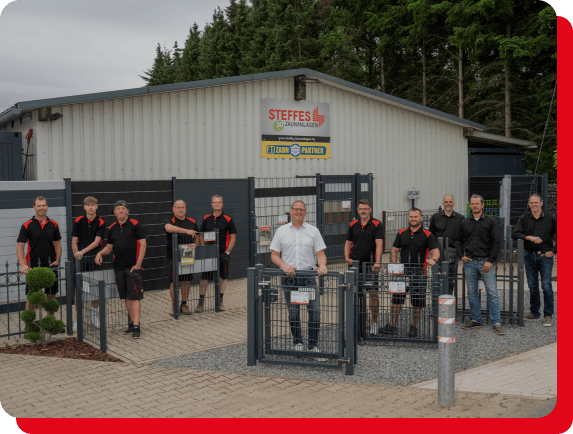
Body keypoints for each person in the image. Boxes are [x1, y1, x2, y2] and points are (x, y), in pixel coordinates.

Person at [270, 200, 328, 361]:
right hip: (290, 278)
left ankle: (313, 345)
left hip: (308, 277)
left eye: (301, 210)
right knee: (294, 311)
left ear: (305, 212)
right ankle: (298, 343)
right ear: (291, 211)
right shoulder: (281, 231)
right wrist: (283, 265)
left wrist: (322, 265)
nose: (298, 212)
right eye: (296, 209)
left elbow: (320, 254)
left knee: (315, 311)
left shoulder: (313, 231)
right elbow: (274, 255)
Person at [380, 208, 439, 338]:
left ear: (421, 218)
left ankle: (414, 327)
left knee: (417, 302)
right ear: (408, 218)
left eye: (415, 217)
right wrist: (394, 264)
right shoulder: (401, 233)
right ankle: (392, 326)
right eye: (411, 217)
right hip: (401, 274)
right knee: (396, 300)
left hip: (419, 273)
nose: (413, 219)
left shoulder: (428, 234)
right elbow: (395, 249)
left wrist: (433, 259)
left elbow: (435, 250)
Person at [95, 200, 146, 339]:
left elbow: (143, 244)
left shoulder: (136, 225)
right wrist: (99, 253)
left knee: (134, 296)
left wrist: (138, 264)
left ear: (127, 211)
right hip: (118, 268)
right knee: (126, 296)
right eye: (118, 209)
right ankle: (131, 322)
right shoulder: (112, 228)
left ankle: (136, 326)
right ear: (115, 212)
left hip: (133, 268)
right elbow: (109, 247)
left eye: (123, 208)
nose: (121, 211)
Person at [456, 194, 504, 335]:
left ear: (482, 205)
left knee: (492, 293)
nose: (475, 206)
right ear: (470, 205)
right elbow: (458, 240)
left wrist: (490, 260)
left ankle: (496, 322)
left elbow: (496, 242)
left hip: (485, 262)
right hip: (470, 262)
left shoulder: (490, 222)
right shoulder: (464, 223)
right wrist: (461, 256)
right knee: (471, 293)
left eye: (477, 203)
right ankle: (476, 319)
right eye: (472, 203)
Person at [514, 194, 557, 327]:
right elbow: (516, 234)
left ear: (541, 203)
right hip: (529, 256)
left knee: (546, 286)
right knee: (532, 286)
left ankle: (548, 315)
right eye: (531, 203)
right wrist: (529, 237)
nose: (534, 205)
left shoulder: (550, 218)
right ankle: (534, 312)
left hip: (545, 257)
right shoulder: (524, 218)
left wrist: (553, 252)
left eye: (536, 202)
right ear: (529, 204)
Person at [17, 196, 62, 316]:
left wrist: (57, 260)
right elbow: (20, 246)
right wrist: (23, 264)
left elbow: (57, 244)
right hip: (33, 266)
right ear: (34, 207)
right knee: (32, 296)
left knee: (51, 295)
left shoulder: (54, 224)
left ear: (47, 206)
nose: (41, 208)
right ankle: (30, 325)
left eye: (43, 205)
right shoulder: (26, 225)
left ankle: (50, 323)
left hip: (51, 265)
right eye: (39, 205)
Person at [344, 199, 384, 335]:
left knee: (373, 293)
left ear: (370, 210)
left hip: (370, 265)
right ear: (358, 210)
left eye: (366, 209)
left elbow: (379, 244)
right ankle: (363, 321)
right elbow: (348, 242)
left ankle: (374, 323)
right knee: (357, 294)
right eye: (361, 209)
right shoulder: (353, 224)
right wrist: (346, 258)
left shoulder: (377, 224)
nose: (363, 211)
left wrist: (377, 262)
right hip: (354, 265)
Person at [196, 195, 237, 313]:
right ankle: (201, 303)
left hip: (222, 253)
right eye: (215, 202)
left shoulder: (228, 219)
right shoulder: (206, 218)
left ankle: (220, 302)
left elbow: (233, 237)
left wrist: (227, 253)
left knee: (223, 277)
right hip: (209, 253)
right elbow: (201, 235)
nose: (217, 204)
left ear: (222, 204)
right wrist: (203, 251)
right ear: (212, 204)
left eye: (219, 202)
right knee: (204, 278)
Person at [71, 196, 106, 331]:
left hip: (94, 259)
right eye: (88, 205)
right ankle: (78, 319)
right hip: (80, 260)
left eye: (93, 205)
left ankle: (94, 315)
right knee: (78, 288)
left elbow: (97, 242)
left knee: (95, 288)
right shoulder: (78, 221)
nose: (90, 207)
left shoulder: (101, 222)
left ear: (97, 206)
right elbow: (74, 240)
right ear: (84, 207)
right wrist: (76, 255)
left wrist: (82, 252)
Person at [165, 199, 198, 316]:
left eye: (182, 207)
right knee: (174, 281)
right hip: (174, 256)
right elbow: (168, 228)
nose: (180, 209)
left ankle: (184, 304)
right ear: (173, 209)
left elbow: (196, 236)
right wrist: (186, 231)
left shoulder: (192, 221)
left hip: (188, 254)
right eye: (178, 207)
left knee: (186, 281)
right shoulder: (170, 220)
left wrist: (197, 247)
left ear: (185, 209)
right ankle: (174, 306)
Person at [429, 194, 464, 295]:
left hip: (453, 251)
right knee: (436, 278)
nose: (448, 204)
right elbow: (431, 234)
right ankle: (436, 306)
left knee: (450, 279)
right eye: (446, 202)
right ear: (442, 203)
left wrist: (460, 251)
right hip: (437, 252)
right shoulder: (435, 217)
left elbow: (462, 236)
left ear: (454, 203)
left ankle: (447, 303)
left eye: (450, 202)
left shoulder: (460, 218)